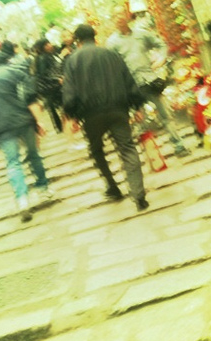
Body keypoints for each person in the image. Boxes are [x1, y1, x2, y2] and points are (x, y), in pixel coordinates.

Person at [63, 24, 149, 211]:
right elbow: (128, 80)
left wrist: (72, 116)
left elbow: (69, 92)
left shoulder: (72, 60)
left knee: (96, 150)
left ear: (77, 41)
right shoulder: (111, 55)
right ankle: (138, 194)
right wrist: (137, 106)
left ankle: (112, 187)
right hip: (118, 109)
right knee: (127, 148)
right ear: (95, 37)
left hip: (91, 115)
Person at [106, 7, 190, 157]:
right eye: (115, 15)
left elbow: (161, 45)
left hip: (150, 81)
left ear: (127, 15)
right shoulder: (112, 43)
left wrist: (161, 58)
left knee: (165, 116)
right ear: (112, 20)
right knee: (141, 123)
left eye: (121, 14)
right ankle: (153, 157)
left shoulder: (141, 34)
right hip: (131, 87)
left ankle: (179, 146)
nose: (118, 17)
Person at [0, 53, 53, 222]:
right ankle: (43, 189)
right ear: (7, 61)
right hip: (24, 122)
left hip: (2, 127)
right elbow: (30, 99)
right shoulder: (18, 73)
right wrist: (39, 121)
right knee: (33, 154)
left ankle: (22, 200)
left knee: (13, 162)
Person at [33, 38, 64, 133]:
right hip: (50, 86)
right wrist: (57, 79)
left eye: (49, 43)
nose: (49, 45)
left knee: (53, 107)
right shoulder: (43, 58)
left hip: (51, 86)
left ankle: (60, 126)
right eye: (46, 45)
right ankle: (60, 126)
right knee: (54, 107)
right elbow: (44, 74)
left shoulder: (49, 55)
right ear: (42, 47)